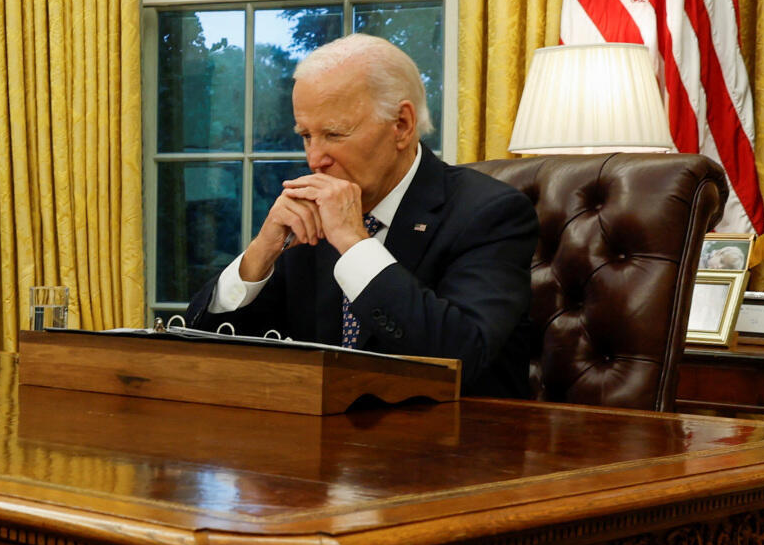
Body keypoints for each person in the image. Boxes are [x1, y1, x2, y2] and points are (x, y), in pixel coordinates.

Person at [181, 34, 536, 397]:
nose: (314, 159)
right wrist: (259, 255)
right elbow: (201, 358)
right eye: (306, 135)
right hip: (323, 442)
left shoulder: (490, 213)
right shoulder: (309, 218)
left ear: (401, 124)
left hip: (456, 443)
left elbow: (458, 358)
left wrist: (354, 244)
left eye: (334, 134)